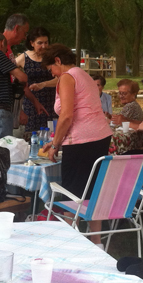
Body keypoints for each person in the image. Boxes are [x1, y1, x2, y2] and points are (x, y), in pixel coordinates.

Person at [41, 44, 112, 243]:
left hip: (82, 141)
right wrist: (57, 141)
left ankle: (71, 241)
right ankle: (96, 241)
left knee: (72, 193)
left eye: (51, 69)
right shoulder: (84, 75)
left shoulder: (67, 77)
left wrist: (56, 145)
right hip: (100, 136)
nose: (52, 74)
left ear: (57, 60)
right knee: (92, 192)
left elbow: (66, 116)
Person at [15, 27, 56, 132]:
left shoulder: (52, 58)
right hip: (31, 104)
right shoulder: (23, 58)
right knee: (32, 134)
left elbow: (61, 78)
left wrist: (43, 84)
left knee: (52, 133)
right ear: (32, 43)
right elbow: (10, 72)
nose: (44, 46)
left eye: (46, 42)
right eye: (40, 43)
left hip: (52, 102)